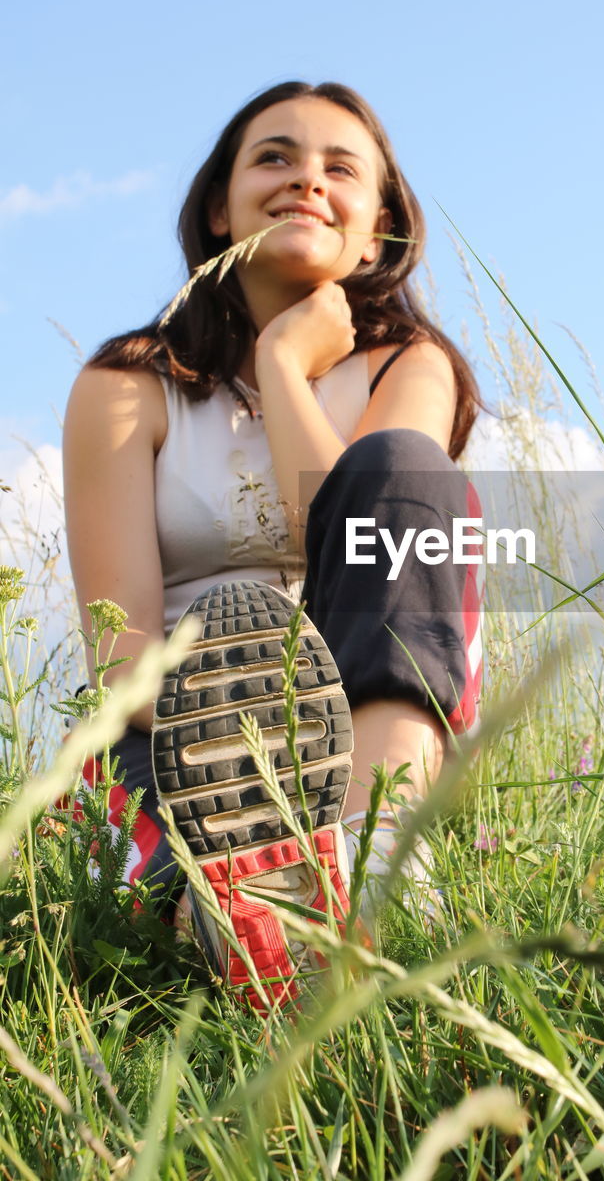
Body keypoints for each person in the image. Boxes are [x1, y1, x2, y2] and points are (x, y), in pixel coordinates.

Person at [62, 80, 484, 1005]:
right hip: (181, 730)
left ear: (375, 229)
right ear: (220, 206)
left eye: (341, 168)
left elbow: (343, 537)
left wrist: (282, 365)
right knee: (170, 891)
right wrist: (232, 733)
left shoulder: (412, 367)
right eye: (274, 157)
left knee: (402, 473)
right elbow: (120, 647)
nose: (306, 180)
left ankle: (368, 873)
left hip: (369, 700)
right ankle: (229, 908)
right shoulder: (126, 384)